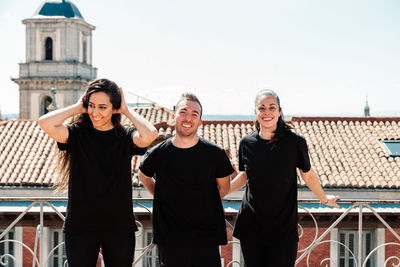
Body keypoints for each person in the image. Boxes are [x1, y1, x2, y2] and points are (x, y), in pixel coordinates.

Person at [38, 78, 158, 267]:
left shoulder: (126, 136)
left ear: (114, 108)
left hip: (119, 227)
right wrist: (78, 108)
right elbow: (44, 122)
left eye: (103, 107)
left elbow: (150, 134)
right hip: (80, 226)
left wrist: (126, 110)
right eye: (92, 106)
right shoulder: (76, 134)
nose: (95, 112)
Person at [228, 89, 340, 267]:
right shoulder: (246, 143)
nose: (267, 112)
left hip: (283, 227)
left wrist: (324, 199)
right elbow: (244, 176)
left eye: (272, 107)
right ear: (255, 112)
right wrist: (220, 192)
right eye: (262, 108)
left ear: (279, 111)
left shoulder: (295, 142)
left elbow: (308, 175)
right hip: (251, 224)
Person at [138, 93, 234, 267]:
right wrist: (161, 195)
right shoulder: (158, 153)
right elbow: (143, 176)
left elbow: (224, 189)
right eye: (183, 112)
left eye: (194, 114)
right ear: (174, 116)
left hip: (206, 236)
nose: (188, 117)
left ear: (200, 121)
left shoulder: (215, 154)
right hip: (170, 236)